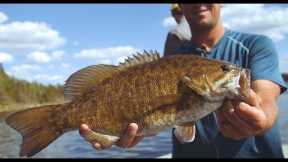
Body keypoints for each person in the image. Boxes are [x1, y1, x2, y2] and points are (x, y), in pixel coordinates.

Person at [79, 4, 287, 158]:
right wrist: (135, 132)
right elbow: (153, 111)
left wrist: (262, 119)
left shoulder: (256, 45)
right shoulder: (172, 58)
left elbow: (267, 101)